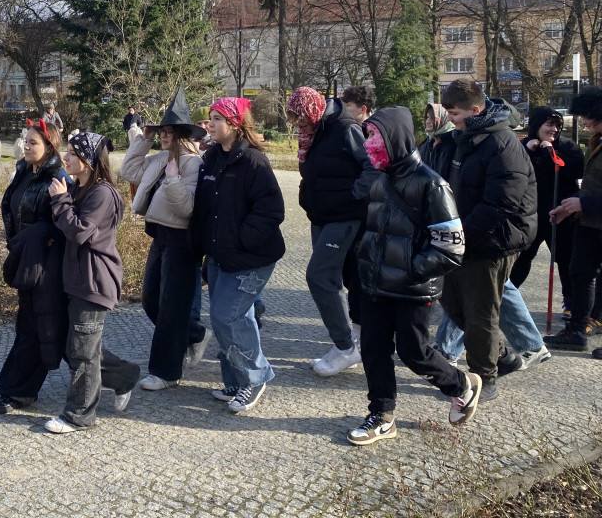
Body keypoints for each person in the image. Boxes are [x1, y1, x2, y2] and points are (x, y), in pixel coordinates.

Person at [346, 106, 481, 446]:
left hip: (412, 289)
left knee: (414, 352)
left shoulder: (432, 186)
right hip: (376, 286)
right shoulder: (379, 179)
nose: (369, 144)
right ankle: (382, 414)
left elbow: (451, 248)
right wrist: (363, 262)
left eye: (374, 136)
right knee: (372, 349)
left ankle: (461, 385)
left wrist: (409, 270)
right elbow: (374, 231)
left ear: (395, 138)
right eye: (367, 137)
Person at [438, 80, 537, 402]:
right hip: (463, 237)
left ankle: (483, 377)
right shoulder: (461, 139)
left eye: (453, 112)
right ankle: (503, 356)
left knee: (480, 311)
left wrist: (461, 237)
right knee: (451, 302)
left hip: (494, 240)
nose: (449, 118)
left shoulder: (503, 144)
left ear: (475, 110)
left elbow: (501, 205)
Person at [191, 97, 285, 413]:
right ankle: (235, 381)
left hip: (251, 256)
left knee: (226, 316)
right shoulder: (213, 158)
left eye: (217, 118)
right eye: (210, 118)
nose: (210, 123)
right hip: (221, 254)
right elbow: (205, 209)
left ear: (234, 124)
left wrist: (240, 240)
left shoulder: (254, 162)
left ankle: (256, 377)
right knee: (230, 318)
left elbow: (271, 212)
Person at [42, 132, 140, 433]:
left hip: (94, 282)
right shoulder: (79, 187)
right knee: (80, 347)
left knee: (83, 352)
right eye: (67, 151)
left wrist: (59, 200)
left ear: (88, 159)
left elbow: (80, 232)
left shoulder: (102, 194)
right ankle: (124, 376)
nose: (65, 157)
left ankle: (80, 415)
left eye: (73, 153)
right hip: (76, 279)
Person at [119, 88, 208, 392]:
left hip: (182, 242)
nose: (164, 136)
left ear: (182, 134)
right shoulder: (158, 157)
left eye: (169, 132)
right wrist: (143, 138)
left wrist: (172, 179)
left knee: (171, 307)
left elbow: (187, 209)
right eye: (162, 131)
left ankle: (166, 371)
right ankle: (194, 334)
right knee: (150, 300)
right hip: (159, 236)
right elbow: (128, 169)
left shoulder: (193, 164)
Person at [287, 87, 377, 377]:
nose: (297, 124)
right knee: (338, 278)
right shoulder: (314, 130)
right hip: (321, 215)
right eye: (292, 118)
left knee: (319, 276)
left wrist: (352, 194)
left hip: (345, 215)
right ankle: (352, 343)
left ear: (312, 109)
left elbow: (373, 167)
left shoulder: (345, 127)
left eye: (299, 117)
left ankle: (345, 347)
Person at [0, 119, 69, 414]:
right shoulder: (24, 171)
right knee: (48, 330)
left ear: (50, 146)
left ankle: (17, 392)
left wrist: (43, 236)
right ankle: (117, 375)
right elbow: (9, 208)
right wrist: (18, 245)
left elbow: (68, 222)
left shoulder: (58, 176)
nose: (26, 146)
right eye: (25, 141)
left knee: (39, 329)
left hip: (48, 267)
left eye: (33, 142)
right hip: (27, 259)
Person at [545, 87, 602, 354]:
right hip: (589, 223)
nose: (584, 123)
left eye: (587, 117)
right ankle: (577, 331)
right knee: (580, 275)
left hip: (594, 218)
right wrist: (570, 206)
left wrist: (584, 203)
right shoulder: (598, 141)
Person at [511, 107, 583, 299]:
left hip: (560, 215)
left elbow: (574, 172)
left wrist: (549, 152)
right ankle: (504, 299)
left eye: (558, 125)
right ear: (537, 125)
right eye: (549, 124)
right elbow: (510, 171)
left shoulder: (568, 148)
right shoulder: (522, 146)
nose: (554, 129)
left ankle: (572, 305)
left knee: (567, 261)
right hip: (530, 215)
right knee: (521, 260)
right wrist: (527, 150)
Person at [417, 104, 455, 179]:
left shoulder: (453, 143)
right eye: (427, 117)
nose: (427, 121)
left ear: (443, 119)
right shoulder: (426, 144)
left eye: (433, 118)